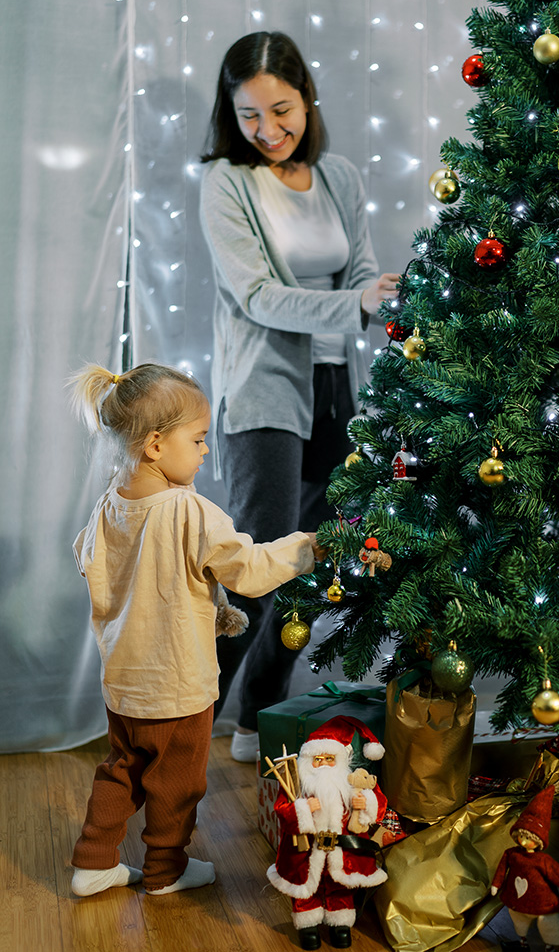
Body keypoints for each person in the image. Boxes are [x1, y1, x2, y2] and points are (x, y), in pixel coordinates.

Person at [199, 30, 400, 762]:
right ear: (232, 115)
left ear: (307, 99)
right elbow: (252, 294)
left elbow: (364, 271)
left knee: (314, 567)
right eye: (250, 116)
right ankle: (188, 732)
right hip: (262, 396)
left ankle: (255, 719)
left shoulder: (339, 175)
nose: (269, 131)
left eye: (281, 111)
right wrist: (355, 305)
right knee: (252, 574)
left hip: (333, 390)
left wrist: (378, 295)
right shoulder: (226, 181)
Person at [68, 362, 325, 897]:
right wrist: (305, 547)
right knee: (177, 784)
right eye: (199, 439)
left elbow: (85, 559)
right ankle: (165, 870)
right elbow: (250, 571)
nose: (207, 451)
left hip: (123, 682)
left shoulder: (109, 504)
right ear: (157, 445)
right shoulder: (191, 511)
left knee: (123, 768)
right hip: (178, 687)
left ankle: (93, 860)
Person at [266, 716, 388, 950]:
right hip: (306, 849)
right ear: (306, 761)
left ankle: (339, 923)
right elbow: (281, 809)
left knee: (339, 883)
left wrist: (367, 804)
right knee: (305, 885)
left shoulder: (351, 782)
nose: (322, 764)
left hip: (342, 849)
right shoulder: (296, 785)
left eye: (329, 759)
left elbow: (379, 802)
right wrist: (301, 809)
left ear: (340, 760)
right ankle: (307, 924)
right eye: (317, 759)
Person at [490, 785, 559, 951]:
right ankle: (522, 943)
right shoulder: (512, 854)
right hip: (517, 899)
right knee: (518, 920)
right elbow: (501, 869)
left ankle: (549, 947)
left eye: (529, 838)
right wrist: (496, 885)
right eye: (521, 835)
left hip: (543, 902)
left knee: (548, 923)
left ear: (539, 841)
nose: (524, 841)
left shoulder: (543, 860)